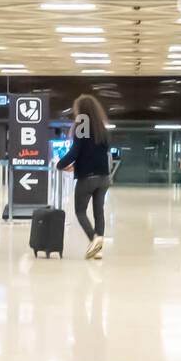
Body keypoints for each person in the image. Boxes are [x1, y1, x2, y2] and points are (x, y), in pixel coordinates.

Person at [56, 93, 112, 259]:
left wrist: (60, 164)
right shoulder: (102, 127)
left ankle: (94, 242)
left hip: (87, 178)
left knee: (80, 212)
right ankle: (98, 251)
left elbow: (75, 151)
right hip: (103, 177)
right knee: (99, 213)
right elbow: (100, 151)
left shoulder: (82, 125)